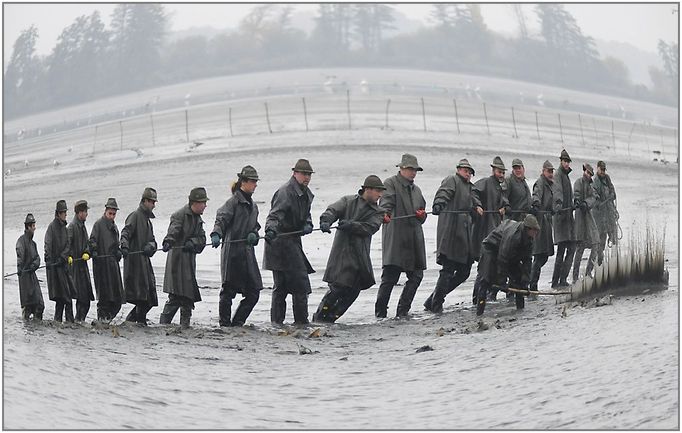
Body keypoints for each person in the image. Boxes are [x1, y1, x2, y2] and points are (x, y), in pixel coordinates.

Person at [313, 175, 385, 323]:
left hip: (361, 258)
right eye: (378, 191)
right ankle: (319, 318)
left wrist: (351, 225)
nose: (380, 195)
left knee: (353, 292)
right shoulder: (348, 201)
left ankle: (332, 319)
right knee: (337, 289)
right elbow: (333, 210)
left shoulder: (378, 211)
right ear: (367, 189)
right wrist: (326, 220)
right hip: (342, 255)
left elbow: (370, 227)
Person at [375, 153, 427, 318]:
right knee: (390, 278)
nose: (413, 173)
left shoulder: (417, 190)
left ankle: (402, 311)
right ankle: (380, 314)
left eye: (415, 170)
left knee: (417, 275)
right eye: (411, 169)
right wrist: (384, 214)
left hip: (415, 240)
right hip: (396, 239)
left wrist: (422, 216)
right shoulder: (390, 184)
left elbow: (423, 213)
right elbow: (385, 204)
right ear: (402, 168)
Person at [263, 159, 316, 325]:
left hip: (293, 242)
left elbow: (306, 215)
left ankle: (280, 324)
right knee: (295, 286)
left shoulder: (306, 194)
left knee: (285, 287)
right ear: (295, 173)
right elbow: (274, 216)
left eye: (309, 174)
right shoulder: (285, 192)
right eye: (303, 174)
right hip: (279, 243)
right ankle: (299, 323)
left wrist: (308, 224)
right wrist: (270, 230)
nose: (306, 177)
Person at [211, 166, 263, 327]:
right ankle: (225, 324)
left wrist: (254, 234)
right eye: (253, 181)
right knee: (228, 292)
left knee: (254, 292)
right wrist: (216, 234)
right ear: (243, 182)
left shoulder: (253, 206)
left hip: (248, 255)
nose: (255, 185)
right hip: (232, 254)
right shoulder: (232, 202)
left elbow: (255, 226)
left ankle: (238, 322)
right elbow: (221, 219)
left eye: (256, 182)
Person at [423, 158, 476, 313]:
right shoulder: (452, 180)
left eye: (470, 172)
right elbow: (443, 193)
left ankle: (432, 300)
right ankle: (436, 304)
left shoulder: (470, 187)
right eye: (465, 171)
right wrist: (438, 204)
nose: (468, 174)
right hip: (451, 233)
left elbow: (472, 204)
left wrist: (475, 209)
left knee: (464, 272)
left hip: (465, 236)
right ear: (458, 169)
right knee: (447, 270)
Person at [159, 187, 208, 328]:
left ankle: (184, 326)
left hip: (189, 266)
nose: (205, 206)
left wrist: (193, 242)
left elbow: (202, 239)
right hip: (177, 265)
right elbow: (173, 232)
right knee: (175, 297)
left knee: (188, 298)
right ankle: (163, 325)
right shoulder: (179, 215)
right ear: (195, 203)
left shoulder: (198, 219)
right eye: (203, 202)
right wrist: (168, 242)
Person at [474, 214, 540, 316]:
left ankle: (520, 312)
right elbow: (502, 258)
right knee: (485, 279)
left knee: (519, 282)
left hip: (510, 254)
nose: (535, 233)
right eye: (534, 230)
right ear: (528, 229)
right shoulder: (513, 236)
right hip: (491, 248)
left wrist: (525, 282)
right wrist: (502, 281)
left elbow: (527, 261)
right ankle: (479, 312)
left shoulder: (530, 239)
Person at [472, 156, 510, 301]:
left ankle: (487, 296)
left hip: (496, 230)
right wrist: (478, 206)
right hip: (484, 230)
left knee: (491, 266)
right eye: (499, 172)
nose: (501, 175)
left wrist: (504, 208)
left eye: (503, 173)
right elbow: (473, 191)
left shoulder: (500, 187)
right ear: (493, 170)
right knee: (483, 267)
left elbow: (505, 202)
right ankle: (477, 298)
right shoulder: (486, 182)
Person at [121, 187, 159, 326]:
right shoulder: (135, 216)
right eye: (152, 202)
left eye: (154, 202)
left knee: (149, 299)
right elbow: (125, 233)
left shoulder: (148, 221)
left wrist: (152, 246)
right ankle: (136, 323)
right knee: (141, 299)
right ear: (144, 201)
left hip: (145, 264)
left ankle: (132, 321)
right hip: (135, 266)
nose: (154, 205)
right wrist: (124, 247)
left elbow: (153, 240)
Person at [89, 198, 125, 322]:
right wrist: (94, 251)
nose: (112, 216)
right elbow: (92, 240)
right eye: (110, 213)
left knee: (117, 299)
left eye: (114, 214)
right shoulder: (98, 224)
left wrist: (119, 252)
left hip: (113, 266)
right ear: (105, 211)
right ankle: (101, 320)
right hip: (101, 266)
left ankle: (106, 320)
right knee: (104, 297)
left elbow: (116, 244)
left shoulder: (115, 227)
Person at [45, 200, 76, 323]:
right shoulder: (52, 228)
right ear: (58, 213)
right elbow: (47, 245)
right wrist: (50, 261)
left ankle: (64, 322)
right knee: (63, 298)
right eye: (63, 212)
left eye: (65, 212)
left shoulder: (64, 228)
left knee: (65, 297)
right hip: (56, 269)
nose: (65, 215)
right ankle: (68, 323)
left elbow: (68, 245)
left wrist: (63, 257)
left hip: (63, 266)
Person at [551, 149, 576, 288]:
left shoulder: (566, 175)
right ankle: (556, 282)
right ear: (560, 161)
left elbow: (569, 195)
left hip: (568, 218)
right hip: (561, 218)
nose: (566, 163)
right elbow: (558, 192)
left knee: (571, 249)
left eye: (568, 161)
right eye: (564, 161)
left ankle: (562, 279)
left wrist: (574, 203)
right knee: (561, 251)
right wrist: (559, 204)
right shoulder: (558, 175)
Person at [529, 160, 555, 291]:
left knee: (544, 255)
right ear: (543, 171)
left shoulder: (550, 184)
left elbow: (551, 201)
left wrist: (553, 209)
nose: (550, 174)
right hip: (539, 223)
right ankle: (532, 285)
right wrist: (536, 204)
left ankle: (532, 282)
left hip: (546, 222)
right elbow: (536, 195)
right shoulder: (540, 182)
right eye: (548, 171)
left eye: (552, 171)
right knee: (539, 255)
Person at [572, 163, 600, 282]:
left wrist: (586, 203)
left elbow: (594, 197)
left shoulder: (591, 186)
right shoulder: (578, 182)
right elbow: (576, 194)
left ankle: (588, 273)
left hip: (589, 218)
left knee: (595, 244)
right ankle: (575, 277)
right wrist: (578, 202)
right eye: (586, 172)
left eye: (590, 173)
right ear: (584, 171)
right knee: (580, 248)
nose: (587, 175)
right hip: (579, 219)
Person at [68, 200, 94, 322]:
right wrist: (70, 256)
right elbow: (67, 245)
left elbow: (88, 243)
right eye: (85, 211)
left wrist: (87, 252)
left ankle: (79, 320)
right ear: (79, 213)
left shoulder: (82, 226)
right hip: (75, 268)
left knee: (87, 299)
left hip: (83, 266)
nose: (87, 214)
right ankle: (78, 321)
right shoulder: (72, 227)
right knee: (81, 298)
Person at [16, 213, 44, 320]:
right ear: (28, 227)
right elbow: (20, 256)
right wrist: (20, 268)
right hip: (24, 278)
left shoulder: (33, 244)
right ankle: (27, 325)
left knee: (40, 305)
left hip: (32, 276)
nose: (35, 228)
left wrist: (34, 265)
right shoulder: (21, 241)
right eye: (33, 226)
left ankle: (37, 326)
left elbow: (37, 258)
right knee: (27, 307)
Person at [592, 160, 618, 266]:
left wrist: (612, 194)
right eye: (601, 169)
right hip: (599, 217)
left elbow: (613, 192)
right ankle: (599, 264)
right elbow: (594, 197)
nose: (602, 171)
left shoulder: (607, 179)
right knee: (600, 242)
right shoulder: (595, 182)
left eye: (604, 169)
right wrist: (599, 202)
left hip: (609, 214)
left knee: (614, 237)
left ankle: (614, 262)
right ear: (597, 168)